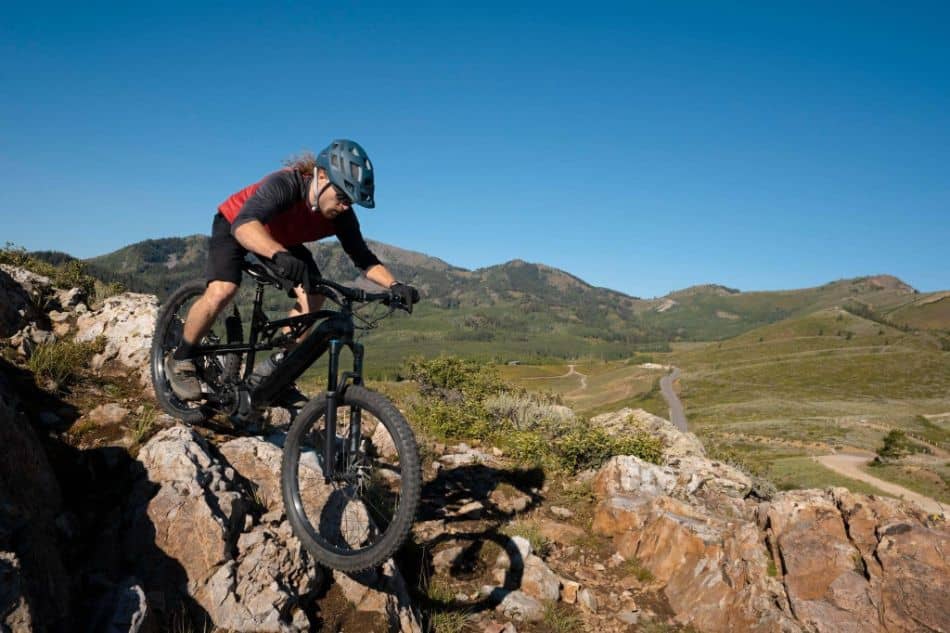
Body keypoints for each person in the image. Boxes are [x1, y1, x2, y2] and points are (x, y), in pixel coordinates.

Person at [164, 139, 419, 402]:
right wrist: (279, 254)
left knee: (314, 295)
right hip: (236, 223)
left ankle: (276, 374)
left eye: (351, 201)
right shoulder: (286, 184)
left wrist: (394, 285)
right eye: (342, 196)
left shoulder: (341, 216)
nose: (345, 206)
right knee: (223, 290)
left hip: (282, 239)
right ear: (321, 176)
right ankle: (181, 358)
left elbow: (363, 258)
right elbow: (244, 225)